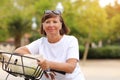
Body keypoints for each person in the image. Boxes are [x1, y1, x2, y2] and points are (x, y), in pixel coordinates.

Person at [14, 10, 85, 80]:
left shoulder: (71, 40)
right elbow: (18, 51)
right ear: (43, 26)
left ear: (61, 25)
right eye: (47, 22)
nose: (51, 25)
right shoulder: (40, 42)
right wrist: (38, 61)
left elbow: (70, 67)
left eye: (55, 22)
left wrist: (49, 65)